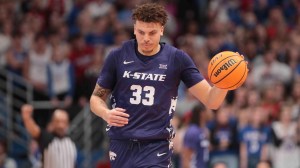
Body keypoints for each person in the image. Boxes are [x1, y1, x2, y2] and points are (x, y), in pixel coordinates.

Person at [90, 3, 236, 168]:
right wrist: (105, 113)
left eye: (152, 33)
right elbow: (96, 98)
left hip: (156, 144)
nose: (146, 38)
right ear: (134, 29)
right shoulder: (117, 56)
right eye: (141, 32)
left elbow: (212, 101)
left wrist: (225, 82)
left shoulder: (177, 59)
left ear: (162, 30)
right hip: (122, 142)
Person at [182, 103, 210, 168]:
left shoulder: (204, 130)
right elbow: (186, 157)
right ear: (202, 114)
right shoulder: (192, 132)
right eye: (208, 111)